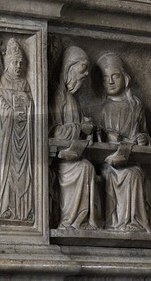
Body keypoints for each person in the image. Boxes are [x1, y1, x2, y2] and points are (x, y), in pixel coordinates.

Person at [94, 52, 150, 232]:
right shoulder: (102, 109)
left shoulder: (136, 106)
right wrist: (106, 136)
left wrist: (144, 138)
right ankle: (116, 222)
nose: (110, 81)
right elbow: (96, 135)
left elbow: (146, 134)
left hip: (132, 160)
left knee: (134, 173)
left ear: (125, 79)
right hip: (109, 163)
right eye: (105, 78)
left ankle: (133, 222)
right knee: (117, 174)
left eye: (115, 76)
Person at [51, 46, 99, 230]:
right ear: (69, 68)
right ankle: (71, 220)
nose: (86, 74)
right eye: (82, 68)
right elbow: (54, 131)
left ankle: (85, 221)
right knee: (84, 168)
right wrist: (80, 129)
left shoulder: (73, 99)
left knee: (86, 166)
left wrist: (88, 129)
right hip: (60, 160)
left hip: (74, 156)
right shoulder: (58, 97)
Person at [0, 37, 35, 224]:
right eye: (15, 62)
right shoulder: (3, 81)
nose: (18, 66)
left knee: (25, 169)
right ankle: (6, 208)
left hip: (23, 134)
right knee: (7, 169)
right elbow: (0, 105)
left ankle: (23, 210)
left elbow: (31, 106)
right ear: (7, 63)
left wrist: (27, 106)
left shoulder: (25, 84)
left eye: (21, 62)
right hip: (8, 136)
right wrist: (9, 110)